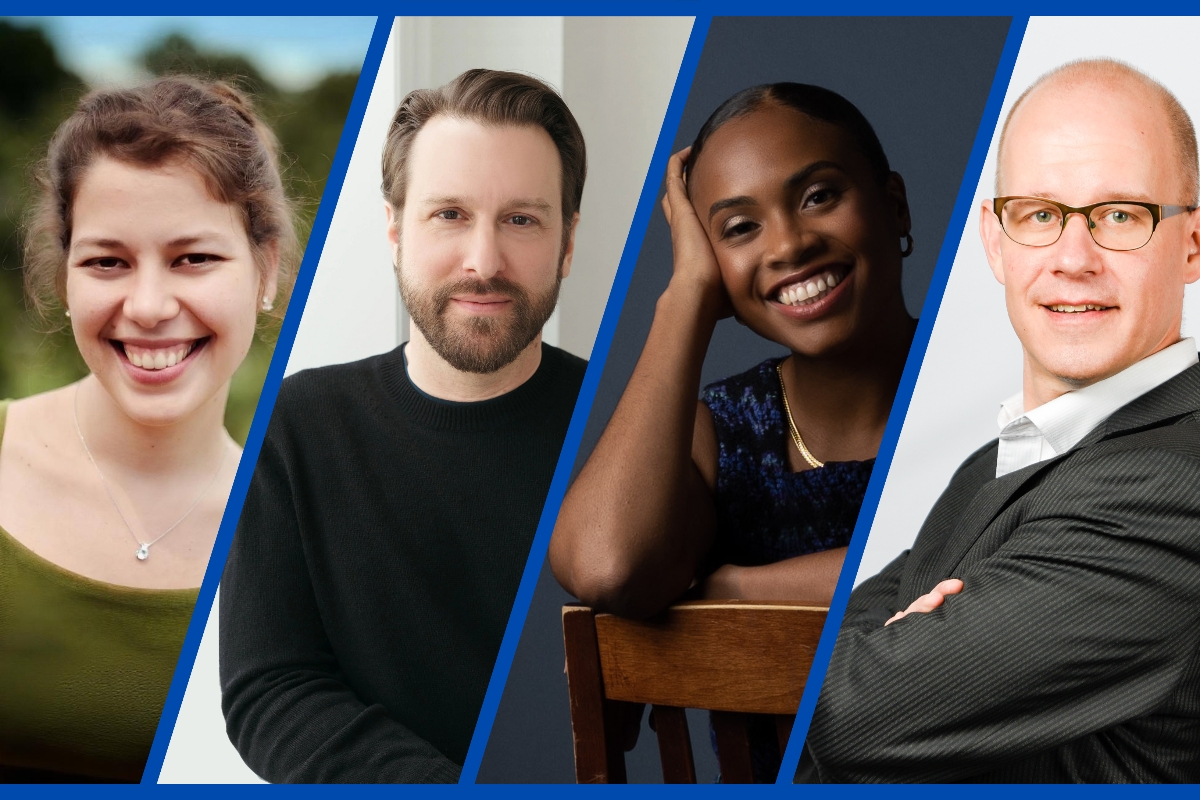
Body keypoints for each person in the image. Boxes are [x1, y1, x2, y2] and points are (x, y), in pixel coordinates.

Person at [802, 59, 1200, 783]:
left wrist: (889, 652)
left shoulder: (1172, 485)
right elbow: (834, 663)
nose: (1073, 259)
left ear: (1193, 244)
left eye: (1120, 215)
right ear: (995, 240)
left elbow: (839, 712)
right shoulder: (1003, 457)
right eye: (1040, 214)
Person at [219, 69, 588, 784]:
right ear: (394, 229)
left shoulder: (627, 422)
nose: (484, 261)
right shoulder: (297, 427)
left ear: (567, 242)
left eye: (521, 219)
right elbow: (270, 688)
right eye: (449, 214)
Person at [549, 83, 918, 781]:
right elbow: (604, 564)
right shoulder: (718, 434)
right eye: (740, 228)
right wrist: (684, 294)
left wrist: (738, 591)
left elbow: (984, 569)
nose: (790, 244)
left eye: (818, 196)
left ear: (892, 205)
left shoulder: (997, 393)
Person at [0, 76, 295, 782]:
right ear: (66, 279)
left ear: (266, 271)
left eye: (194, 258)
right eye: (108, 262)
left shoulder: (304, 530)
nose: (150, 305)